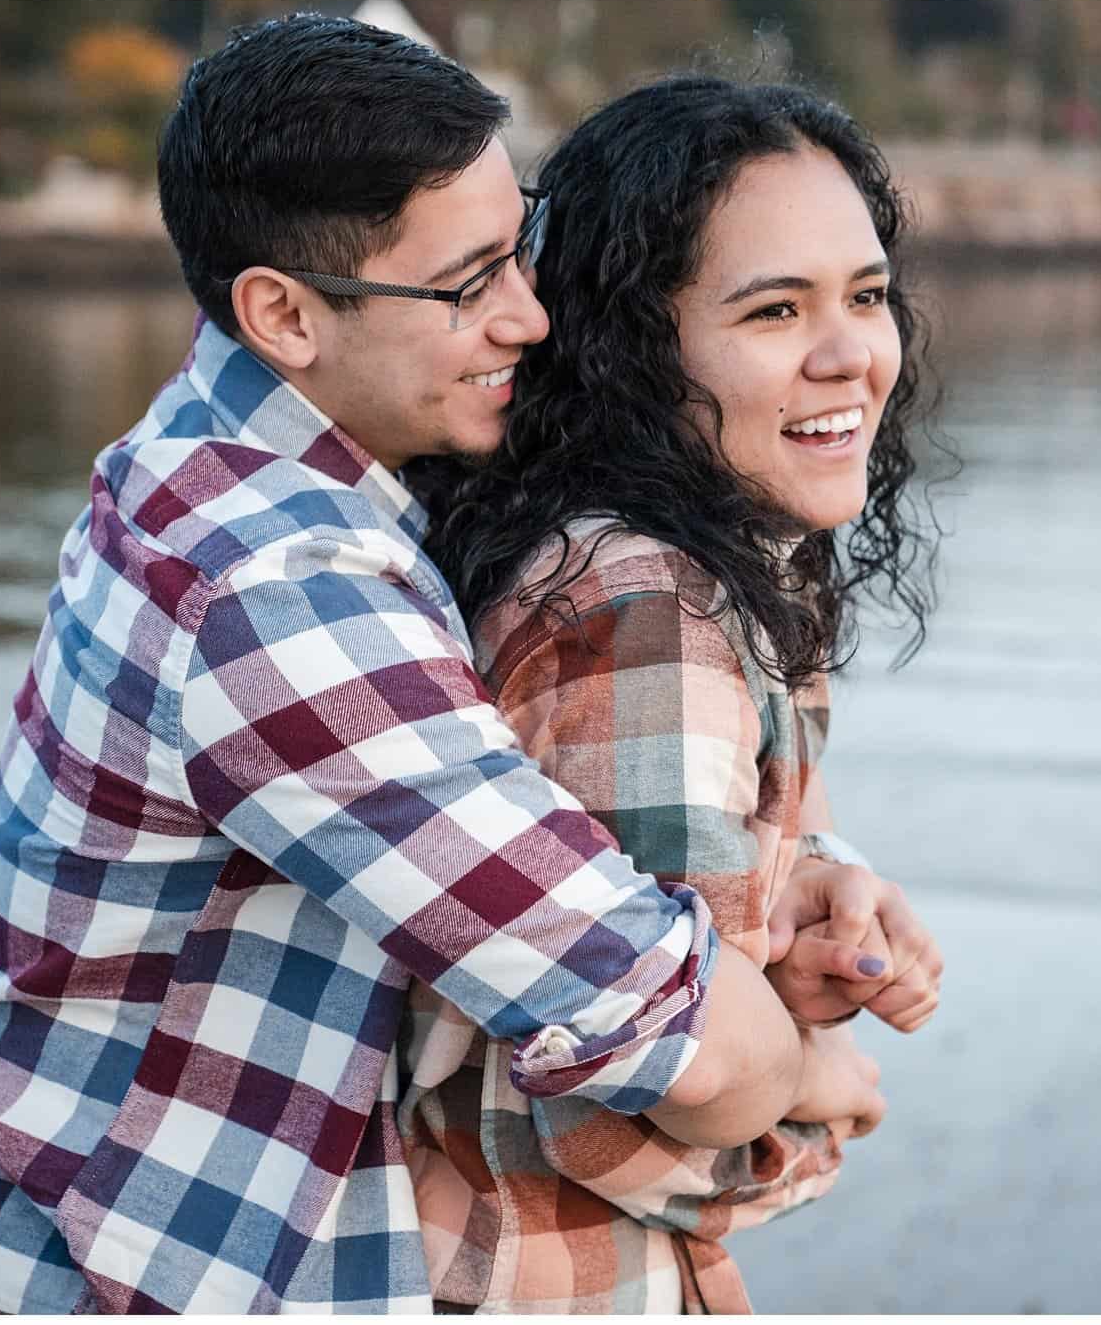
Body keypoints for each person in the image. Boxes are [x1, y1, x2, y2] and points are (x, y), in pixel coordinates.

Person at [0, 18, 922, 1315]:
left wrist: (808, 872)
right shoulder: (279, 604)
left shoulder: (246, 453)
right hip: (79, 1269)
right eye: (467, 285)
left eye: (517, 247)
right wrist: (810, 1072)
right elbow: (658, 1016)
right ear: (282, 313)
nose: (533, 316)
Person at [400, 73, 946, 1313]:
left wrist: (802, 886)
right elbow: (609, 1103)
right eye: (771, 311)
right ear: (636, 349)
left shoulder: (655, 561)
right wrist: (822, 1090)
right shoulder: (648, 610)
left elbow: (673, 937)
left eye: (865, 295)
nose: (847, 352)